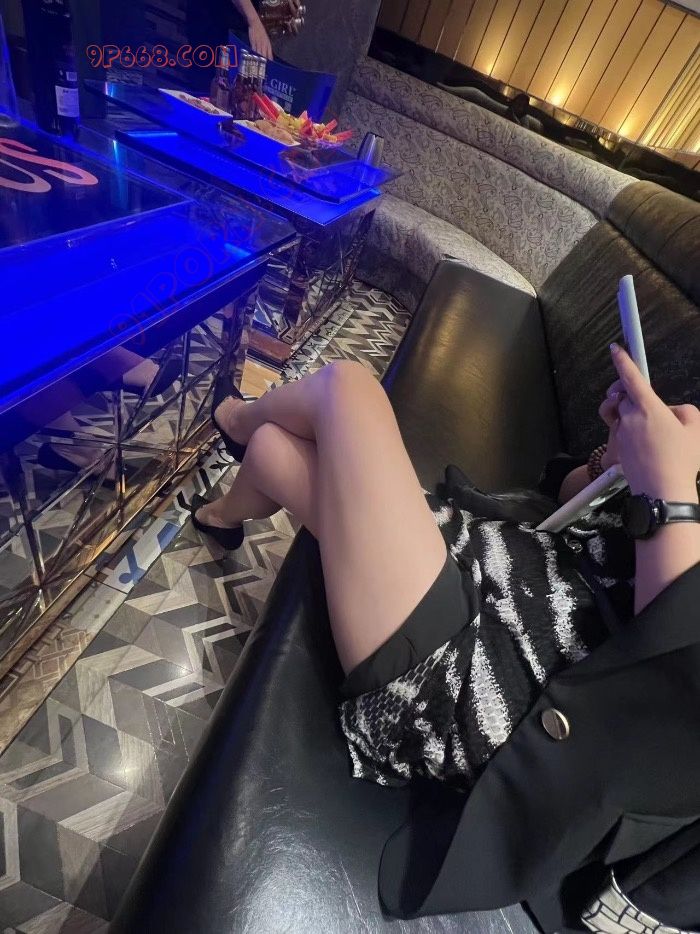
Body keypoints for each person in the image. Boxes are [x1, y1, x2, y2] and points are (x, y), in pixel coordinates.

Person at [190, 345, 700, 926]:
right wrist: (617, 460)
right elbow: (573, 507)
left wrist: (668, 489)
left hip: (499, 693)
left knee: (347, 391)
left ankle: (233, 420)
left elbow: (672, 683)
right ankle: (220, 516)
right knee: (278, 450)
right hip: (501, 571)